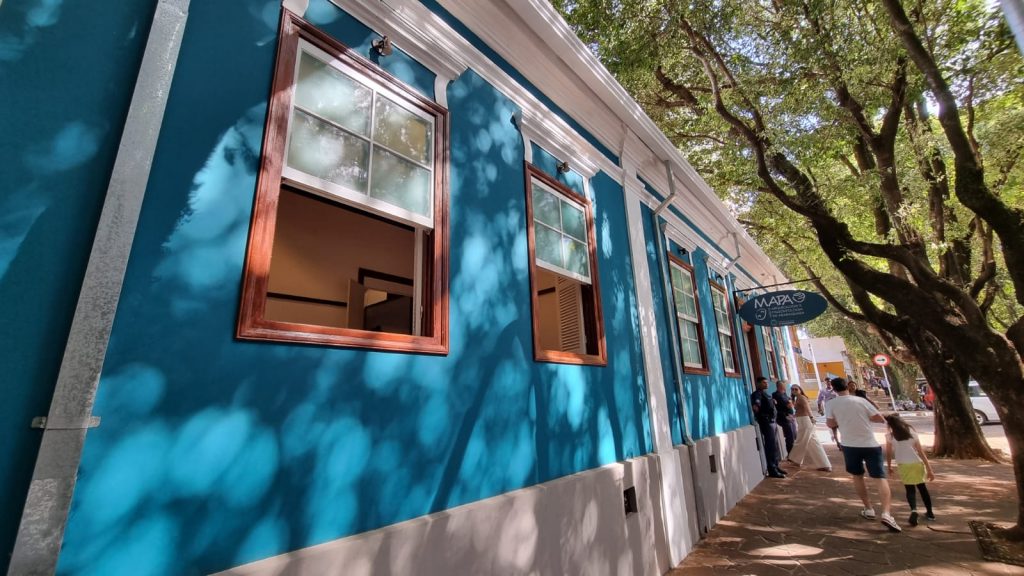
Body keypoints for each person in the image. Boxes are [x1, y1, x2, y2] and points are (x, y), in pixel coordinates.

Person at [825, 377, 901, 532]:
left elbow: (830, 423)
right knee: (880, 478)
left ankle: (869, 508)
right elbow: (879, 419)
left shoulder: (831, 404)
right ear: (847, 386)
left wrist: (843, 419)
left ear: (833, 389)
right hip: (870, 444)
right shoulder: (861, 401)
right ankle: (886, 513)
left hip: (849, 445)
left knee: (857, 476)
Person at [885, 413, 936, 526]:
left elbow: (888, 453)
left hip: (903, 465)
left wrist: (889, 466)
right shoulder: (912, 433)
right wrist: (929, 469)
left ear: (890, 425)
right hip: (917, 463)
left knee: (910, 489)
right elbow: (921, 452)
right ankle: (930, 513)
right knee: (922, 488)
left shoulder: (889, 436)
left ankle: (913, 510)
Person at [788, 384, 832, 471]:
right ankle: (824, 465)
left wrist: (811, 418)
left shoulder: (801, 397)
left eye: (796, 389)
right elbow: (800, 411)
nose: (794, 391)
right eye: (792, 389)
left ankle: (795, 459)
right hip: (802, 420)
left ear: (800, 390)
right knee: (813, 443)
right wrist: (793, 416)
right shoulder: (797, 398)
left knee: (801, 440)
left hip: (805, 421)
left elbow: (807, 408)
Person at [751, 376, 786, 478]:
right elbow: (756, 407)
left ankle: (776, 465)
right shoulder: (757, 394)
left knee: (775, 445)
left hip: (772, 421)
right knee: (770, 446)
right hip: (766, 422)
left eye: (767, 382)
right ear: (758, 384)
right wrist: (760, 414)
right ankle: (772, 469)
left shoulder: (765, 393)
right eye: (764, 383)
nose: (766, 384)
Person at [772, 380, 797, 457]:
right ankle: (791, 455)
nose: (785, 386)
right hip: (784, 418)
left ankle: (794, 453)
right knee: (789, 437)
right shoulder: (776, 395)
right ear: (780, 386)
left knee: (794, 435)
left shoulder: (784, 394)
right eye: (784, 385)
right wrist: (790, 402)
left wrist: (790, 402)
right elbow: (789, 405)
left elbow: (791, 404)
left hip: (790, 417)